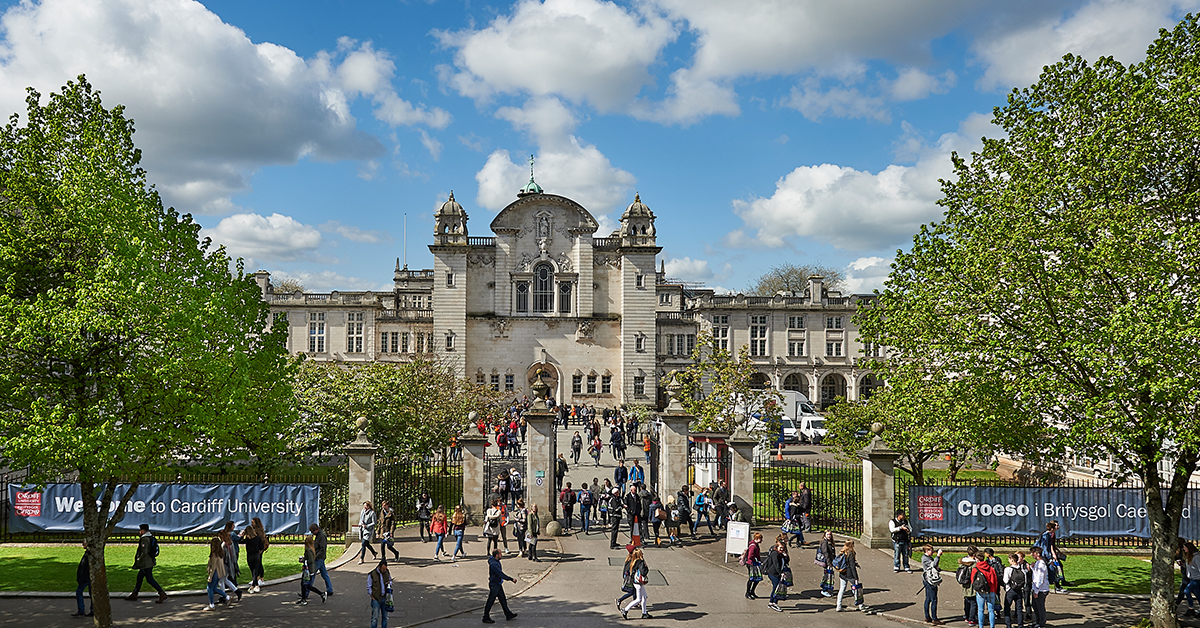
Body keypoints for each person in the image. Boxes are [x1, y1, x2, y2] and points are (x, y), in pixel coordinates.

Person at [125, 523, 167, 603]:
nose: (139, 532)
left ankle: (162, 593)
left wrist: (138, 562)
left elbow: (144, 552)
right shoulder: (150, 537)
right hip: (150, 561)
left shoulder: (144, 539)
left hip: (146, 563)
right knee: (139, 577)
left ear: (143, 531)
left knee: (149, 579)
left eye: (140, 530)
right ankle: (135, 593)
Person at [483, 549, 519, 623]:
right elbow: (500, 574)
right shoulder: (494, 564)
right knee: (490, 601)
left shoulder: (494, 561)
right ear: (497, 555)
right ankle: (485, 617)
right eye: (500, 554)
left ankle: (508, 614)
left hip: (498, 584)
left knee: (502, 599)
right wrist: (511, 579)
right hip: (494, 585)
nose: (501, 555)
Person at [833, 540, 868, 612]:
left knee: (842, 590)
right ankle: (861, 605)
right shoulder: (851, 553)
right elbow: (852, 567)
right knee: (857, 589)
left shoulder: (842, 552)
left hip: (843, 573)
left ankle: (838, 606)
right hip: (850, 574)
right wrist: (856, 577)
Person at [621, 548, 652, 619]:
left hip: (635, 581)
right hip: (639, 583)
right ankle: (625, 610)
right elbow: (643, 573)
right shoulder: (640, 562)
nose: (643, 554)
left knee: (644, 596)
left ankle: (644, 613)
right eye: (641, 553)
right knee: (638, 599)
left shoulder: (633, 561)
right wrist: (646, 568)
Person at [972, 550, 1000, 628]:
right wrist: (994, 591)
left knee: (980, 610)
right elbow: (994, 581)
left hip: (980, 591)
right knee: (991, 611)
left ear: (977, 559)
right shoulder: (990, 569)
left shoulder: (975, 569)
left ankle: (981, 626)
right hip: (990, 591)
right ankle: (992, 626)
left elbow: (972, 580)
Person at [297, 533, 327, 605]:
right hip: (309, 569)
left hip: (308, 569)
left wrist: (303, 560)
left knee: (306, 585)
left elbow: (310, 560)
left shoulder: (308, 550)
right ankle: (303, 599)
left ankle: (321, 594)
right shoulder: (311, 549)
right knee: (304, 584)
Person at [763, 535, 789, 612]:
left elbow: (786, 561)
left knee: (776, 587)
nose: (782, 549)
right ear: (777, 547)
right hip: (773, 573)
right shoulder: (775, 554)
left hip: (777, 573)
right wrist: (780, 573)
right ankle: (773, 602)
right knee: (776, 587)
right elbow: (776, 564)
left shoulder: (781, 554)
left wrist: (785, 555)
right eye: (780, 548)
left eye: (783, 548)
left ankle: (772, 602)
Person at [204, 536, 229, 610]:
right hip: (219, 573)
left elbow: (213, 566)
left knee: (209, 588)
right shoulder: (220, 553)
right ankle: (227, 597)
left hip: (215, 572)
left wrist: (210, 576)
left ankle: (211, 605)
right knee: (214, 588)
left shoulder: (214, 554)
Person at [922, 544, 945, 625]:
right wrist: (938, 556)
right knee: (933, 599)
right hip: (930, 581)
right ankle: (934, 618)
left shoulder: (927, 558)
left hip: (927, 580)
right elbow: (934, 564)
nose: (933, 552)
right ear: (927, 551)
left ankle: (927, 617)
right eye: (931, 550)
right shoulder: (925, 559)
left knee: (928, 598)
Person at [1002, 552, 1026, 628]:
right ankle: (1020, 624)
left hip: (1010, 590)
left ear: (1012, 560)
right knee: (1019, 608)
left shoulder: (1008, 569)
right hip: (1019, 590)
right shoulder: (1022, 569)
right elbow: (1025, 580)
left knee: (1007, 607)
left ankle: (1008, 624)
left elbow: (1005, 580)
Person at [309, 523, 334, 595]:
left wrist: (316, 556)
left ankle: (306, 592)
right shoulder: (318, 536)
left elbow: (322, 549)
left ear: (316, 530)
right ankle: (330, 589)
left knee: (312, 575)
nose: (312, 533)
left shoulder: (322, 536)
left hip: (319, 558)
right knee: (324, 574)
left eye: (312, 531)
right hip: (319, 558)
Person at [367, 560, 392, 628]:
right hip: (376, 599)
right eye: (383, 569)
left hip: (385, 598)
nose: (384, 570)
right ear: (379, 567)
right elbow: (369, 586)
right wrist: (372, 595)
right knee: (375, 618)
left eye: (385, 569)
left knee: (385, 617)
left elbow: (390, 580)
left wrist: (389, 585)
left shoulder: (387, 572)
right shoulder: (372, 574)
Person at [959, 544, 980, 626]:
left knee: (967, 601)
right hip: (972, 585)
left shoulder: (963, 562)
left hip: (965, 585)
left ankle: (967, 616)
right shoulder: (974, 564)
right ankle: (972, 619)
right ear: (974, 554)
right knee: (973, 602)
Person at [1029, 547, 1049, 628]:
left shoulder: (1041, 564)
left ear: (1038, 554)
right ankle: (1038, 621)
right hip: (1037, 588)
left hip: (1041, 589)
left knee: (1040, 607)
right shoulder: (1037, 563)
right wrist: (1032, 567)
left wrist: (1036, 591)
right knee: (1035, 605)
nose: (1031, 554)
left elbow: (1040, 578)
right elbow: (1036, 574)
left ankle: (1042, 624)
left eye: (1033, 552)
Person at [72, 542, 93, 617]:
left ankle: (81, 610)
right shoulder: (89, 554)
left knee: (79, 592)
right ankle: (92, 610)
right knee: (92, 594)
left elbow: (83, 568)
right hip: (88, 577)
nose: (83, 545)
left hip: (85, 578)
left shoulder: (87, 555)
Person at [616, 544, 638, 609]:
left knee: (634, 590)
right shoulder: (632, 559)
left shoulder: (629, 558)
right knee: (632, 591)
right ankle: (620, 600)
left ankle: (635, 602)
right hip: (630, 577)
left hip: (628, 576)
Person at [745, 532, 763, 599]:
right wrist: (756, 560)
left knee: (757, 578)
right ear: (757, 538)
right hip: (751, 564)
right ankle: (748, 593)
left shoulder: (755, 544)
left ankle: (752, 591)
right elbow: (750, 556)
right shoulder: (753, 546)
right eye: (760, 539)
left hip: (754, 563)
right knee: (751, 578)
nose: (761, 540)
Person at [818, 530, 836, 597]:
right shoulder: (824, 542)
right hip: (827, 562)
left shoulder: (829, 542)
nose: (829, 536)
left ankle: (826, 589)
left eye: (830, 534)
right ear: (825, 535)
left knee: (829, 576)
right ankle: (824, 590)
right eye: (828, 534)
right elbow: (825, 553)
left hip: (829, 561)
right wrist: (829, 563)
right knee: (827, 576)